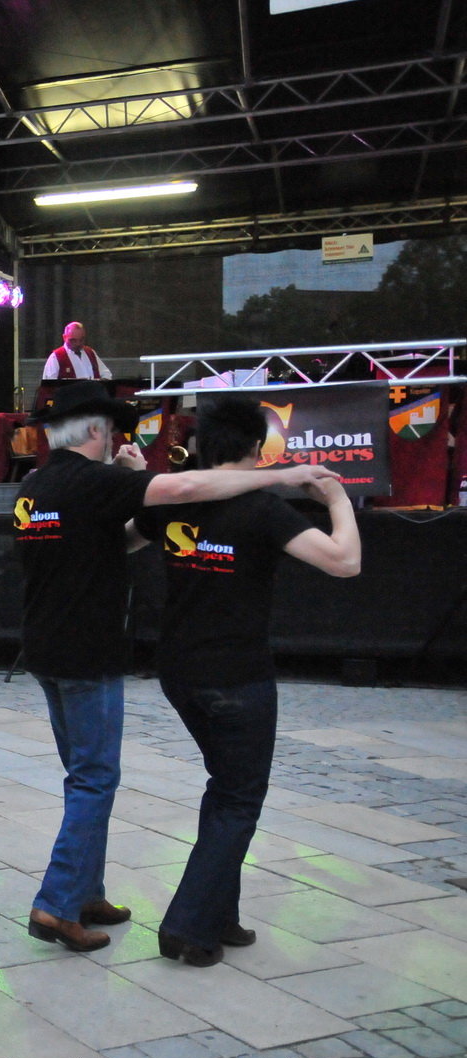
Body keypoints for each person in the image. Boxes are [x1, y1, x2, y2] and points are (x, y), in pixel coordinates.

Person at [14, 381, 340, 951]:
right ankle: (57, 904)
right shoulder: (97, 481)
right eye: (112, 428)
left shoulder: (35, 484)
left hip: (43, 650)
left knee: (84, 776)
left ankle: (86, 891)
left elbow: (110, 542)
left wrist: (130, 483)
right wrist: (282, 475)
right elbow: (187, 484)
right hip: (88, 655)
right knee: (93, 780)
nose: (116, 436)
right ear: (95, 431)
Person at [130, 396, 361, 966]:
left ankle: (219, 913)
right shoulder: (262, 510)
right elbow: (344, 561)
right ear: (259, 449)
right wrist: (337, 498)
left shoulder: (178, 502)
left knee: (225, 787)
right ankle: (187, 927)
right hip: (236, 677)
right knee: (238, 797)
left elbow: (125, 539)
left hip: (179, 672)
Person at [41, 322, 110, 381]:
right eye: (73, 340)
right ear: (64, 338)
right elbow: (49, 384)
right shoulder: (56, 357)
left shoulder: (90, 353)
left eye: (81, 340)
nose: (78, 344)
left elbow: (106, 374)